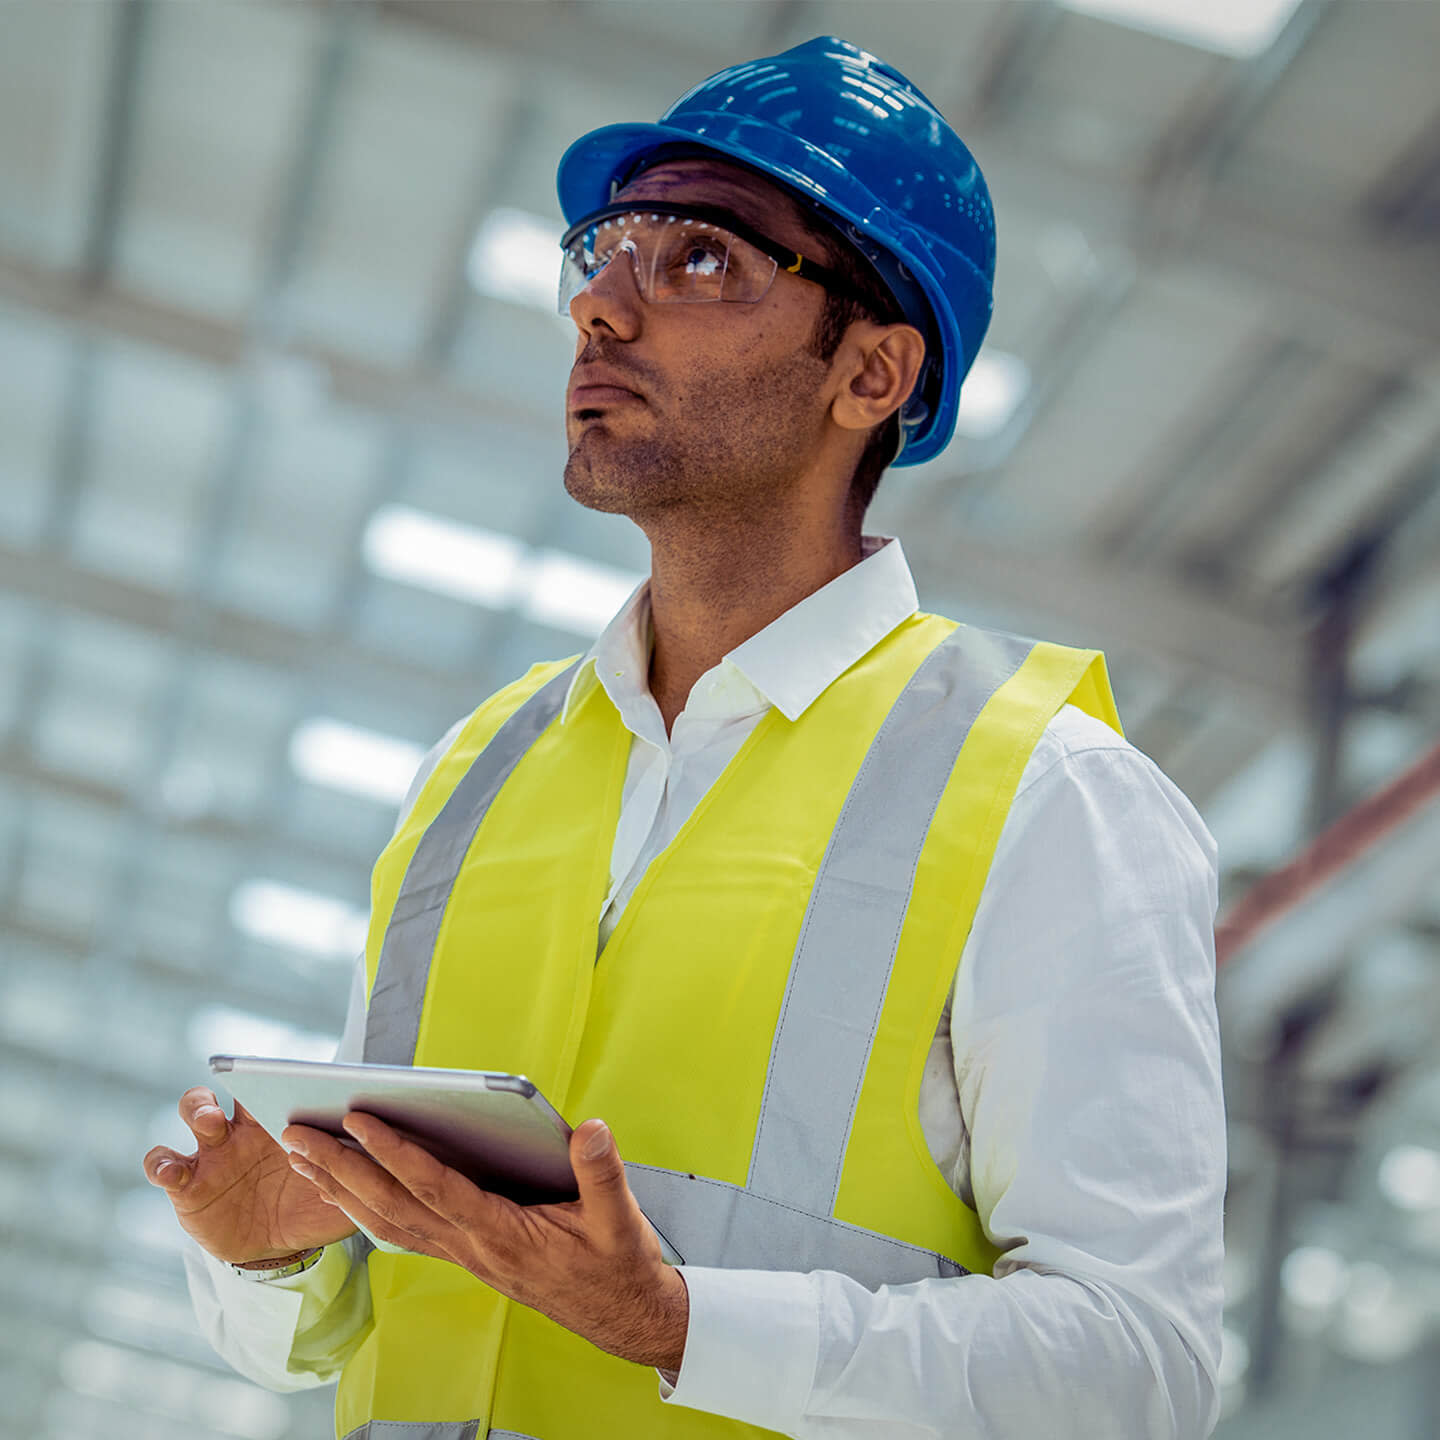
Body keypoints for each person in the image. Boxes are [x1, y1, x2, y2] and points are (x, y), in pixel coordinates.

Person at [145, 36, 1226, 1440]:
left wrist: (677, 1326)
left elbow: (1138, 1372)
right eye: (603, 252)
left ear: (874, 372)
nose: (601, 305)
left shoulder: (1048, 796)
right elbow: (354, 1310)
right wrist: (267, 1251)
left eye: (699, 259)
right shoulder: (485, 768)